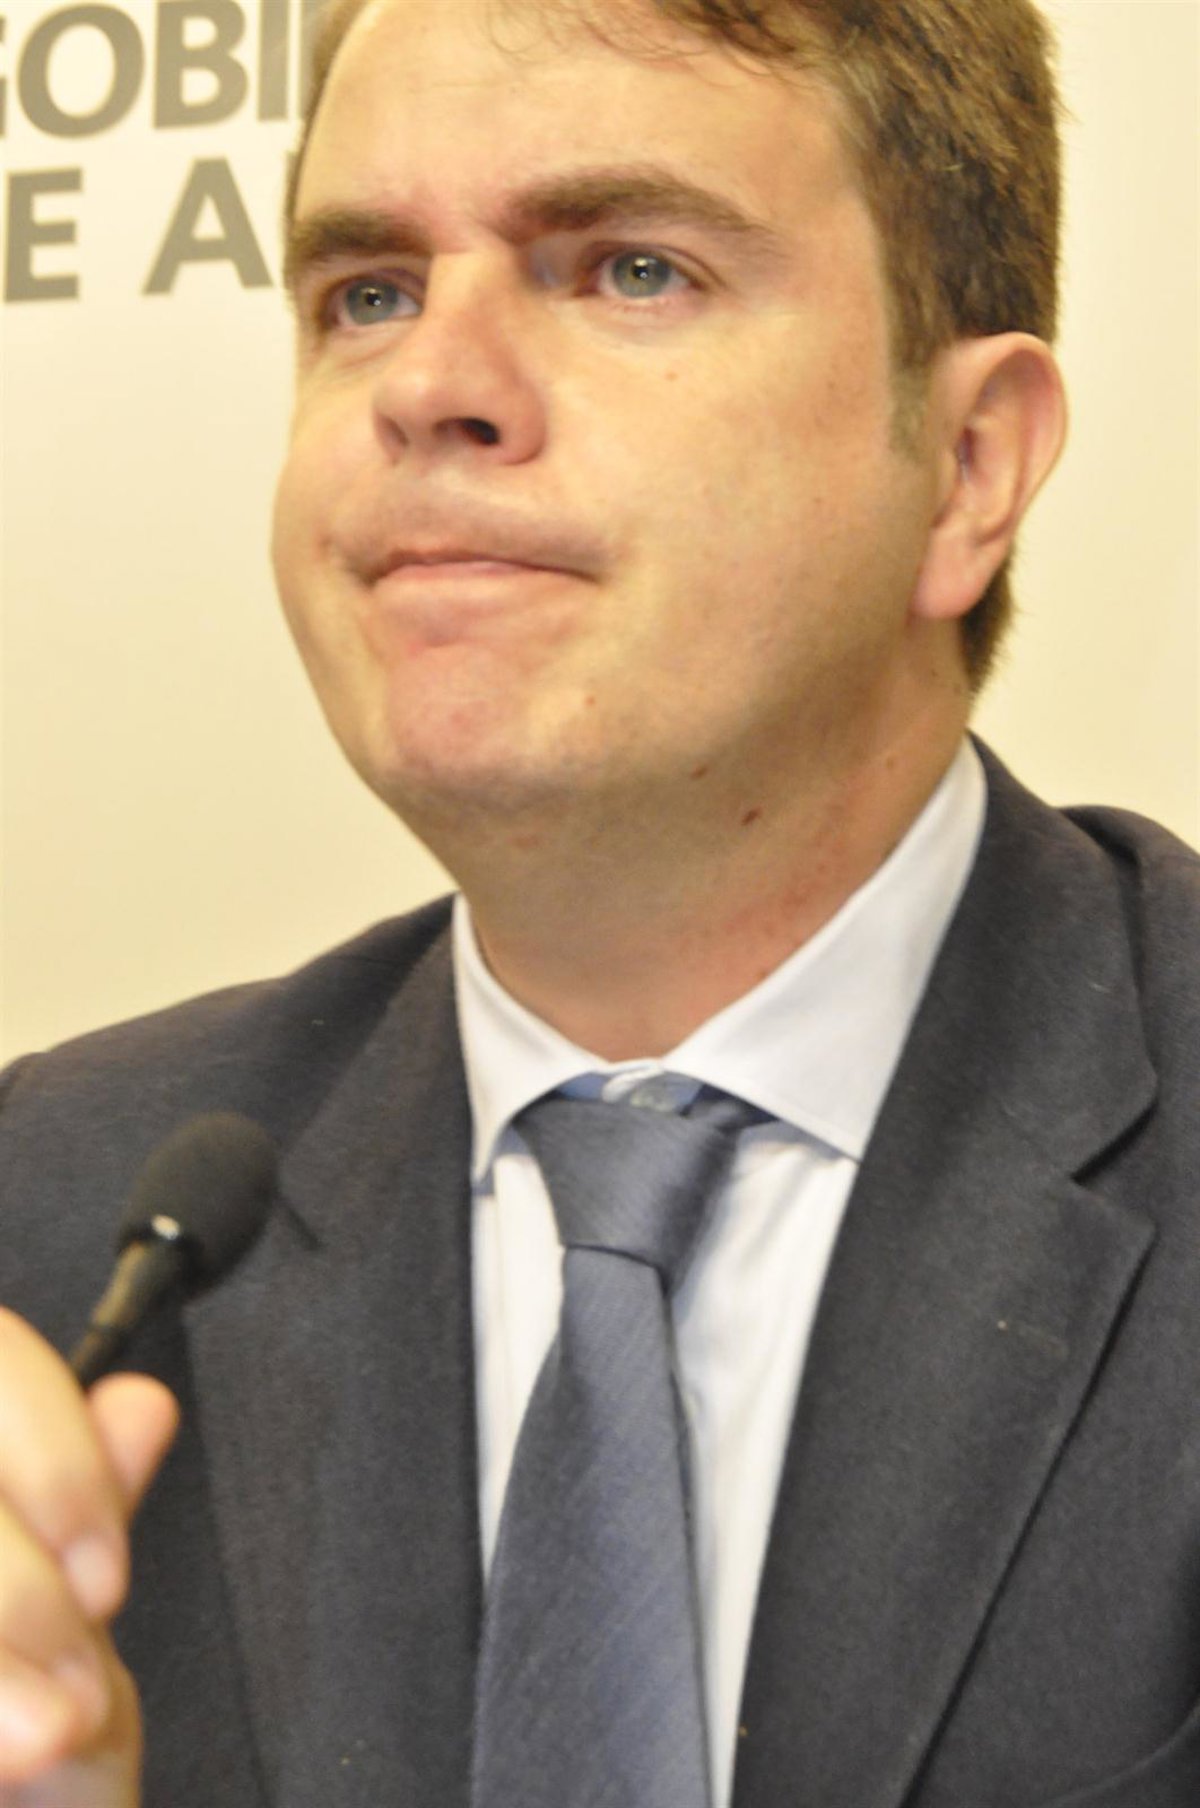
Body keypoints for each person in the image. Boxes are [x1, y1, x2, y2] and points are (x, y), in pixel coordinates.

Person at [0, 0, 1197, 1803]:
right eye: (368, 294)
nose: (428, 383)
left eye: (633, 269)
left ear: (969, 465)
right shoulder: (58, 1204)